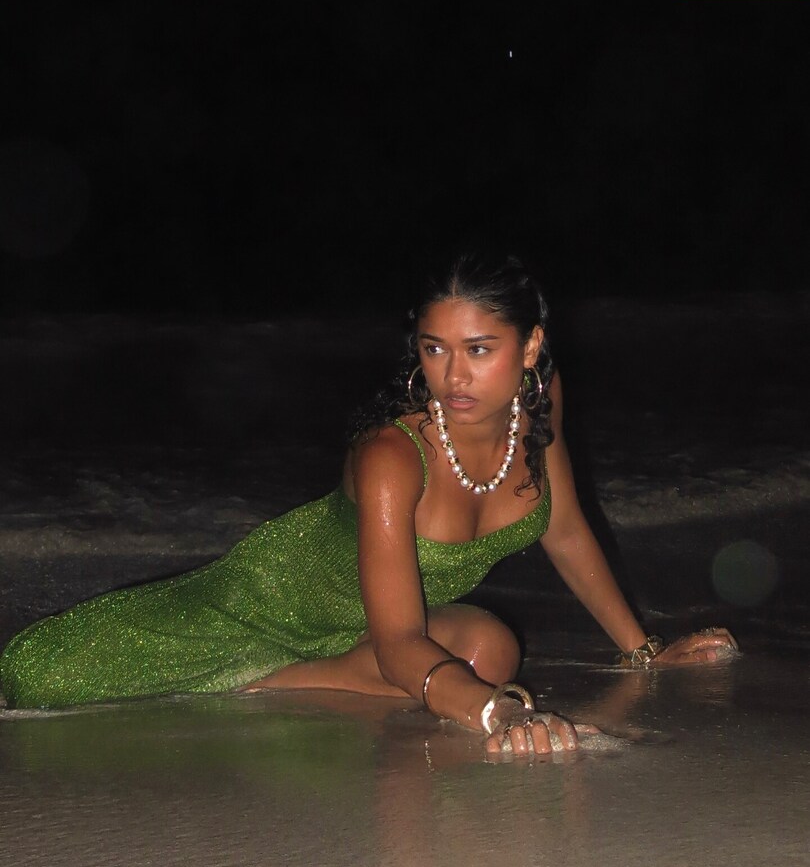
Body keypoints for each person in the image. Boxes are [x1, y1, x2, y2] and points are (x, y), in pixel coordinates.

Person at [0, 254, 737, 754]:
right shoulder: (392, 454)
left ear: (531, 345)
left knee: (489, 649)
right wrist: (495, 711)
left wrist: (642, 653)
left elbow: (566, 528)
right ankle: (253, 669)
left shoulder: (540, 402)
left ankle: (272, 680)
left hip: (372, 633)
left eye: (479, 349)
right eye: (434, 348)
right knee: (35, 674)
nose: (454, 375)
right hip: (259, 607)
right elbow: (400, 643)